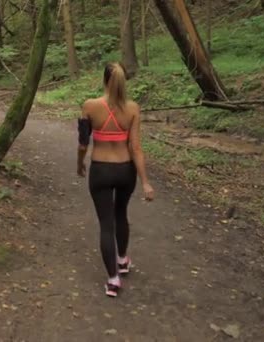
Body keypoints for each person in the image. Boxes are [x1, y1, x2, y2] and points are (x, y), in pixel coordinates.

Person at [77, 62, 154, 298]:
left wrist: (79, 163)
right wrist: (145, 182)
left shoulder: (89, 106)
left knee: (106, 224)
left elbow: (82, 143)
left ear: (104, 80)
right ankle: (122, 260)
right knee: (121, 214)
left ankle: (113, 280)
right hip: (125, 171)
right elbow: (137, 148)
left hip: (100, 170)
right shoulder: (132, 109)